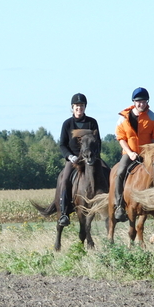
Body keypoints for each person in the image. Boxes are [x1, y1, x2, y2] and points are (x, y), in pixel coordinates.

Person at [113, 87, 154, 222]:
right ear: (134, 102)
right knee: (119, 173)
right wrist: (130, 153)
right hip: (129, 153)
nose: (141, 104)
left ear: (147, 102)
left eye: (143, 101)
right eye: (138, 101)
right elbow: (121, 138)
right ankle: (119, 204)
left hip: (147, 155)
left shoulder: (152, 117)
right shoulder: (123, 118)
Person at [57, 93, 105, 227]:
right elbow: (62, 144)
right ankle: (64, 213)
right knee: (65, 180)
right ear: (72, 107)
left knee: (109, 173)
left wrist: (95, 156)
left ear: (85, 107)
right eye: (77, 106)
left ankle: (116, 205)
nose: (79, 108)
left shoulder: (92, 122)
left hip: (91, 158)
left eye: (82, 105)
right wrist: (70, 156)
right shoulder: (67, 124)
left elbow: (98, 141)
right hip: (74, 159)